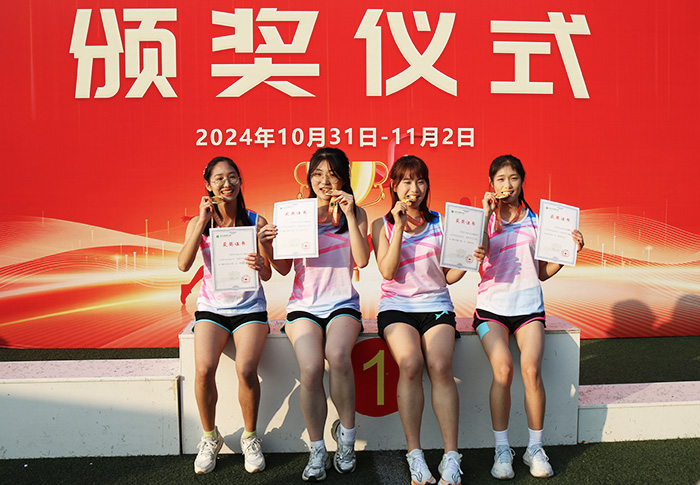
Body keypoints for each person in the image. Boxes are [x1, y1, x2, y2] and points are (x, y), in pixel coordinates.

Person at [371, 155, 484, 485]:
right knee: (410, 363)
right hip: (396, 307)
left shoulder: (441, 223)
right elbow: (388, 270)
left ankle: (451, 456)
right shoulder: (381, 225)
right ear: (393, 186)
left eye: (420, 181)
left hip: (436, 305)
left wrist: (470, 260)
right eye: (406, 181)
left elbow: (448, 276)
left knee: (439, 365)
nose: (414, 188)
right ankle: (415, 455)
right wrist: (398, 226)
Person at [259, 147, 370, 482]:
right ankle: (318, 448)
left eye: (332, 174)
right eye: (318, 174)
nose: (325, 181)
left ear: (344, 179)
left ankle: (346, 440)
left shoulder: (357, 213)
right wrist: (267, 244)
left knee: (337, 355)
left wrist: (349, 213)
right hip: (303, 307)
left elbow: (362, 260)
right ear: (308, 179)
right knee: (310, 368)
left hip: (343, 305)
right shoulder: (296, 215)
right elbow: (282, 268)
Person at [476, 154, 585, 480]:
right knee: (503, 370)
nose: (507, 185)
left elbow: (542, 273)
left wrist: (568, 252)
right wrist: (486, 215)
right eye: (500, 179)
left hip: (529, 310)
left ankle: (534, 448)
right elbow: (476, 256)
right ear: (491, 184)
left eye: (513, 178)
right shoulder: (484, 219)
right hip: (490, 311)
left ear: (522, 181)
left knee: (531, 370)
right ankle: (502, 449)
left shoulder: (538, 222)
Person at [177, 156, 272, 475]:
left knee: (246, 369)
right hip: (212, 309)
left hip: (250, 309)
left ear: (240, 182)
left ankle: (250, 437)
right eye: (218, 179)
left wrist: (261, 264)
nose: (226, 184)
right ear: (208, 185)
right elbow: (183, 264)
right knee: (204, 370)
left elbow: (268, 274)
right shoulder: (199, 223)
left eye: (232, 177)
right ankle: (210, 437)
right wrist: (201, 222)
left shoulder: (255, 221)